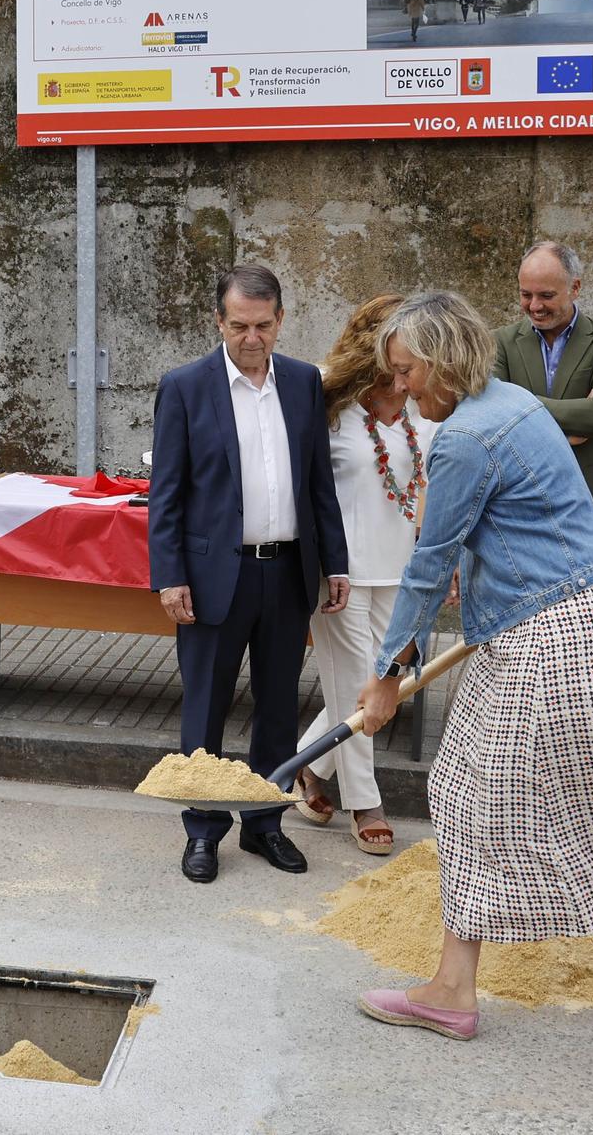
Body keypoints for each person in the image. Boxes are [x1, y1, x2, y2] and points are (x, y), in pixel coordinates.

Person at [353, 292, 593, 1042]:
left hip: (548, 631)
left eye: (408, 372)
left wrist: (387, 675)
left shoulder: (467, 437)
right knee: (465, 789)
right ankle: (453, 988)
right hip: (542, 619)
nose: (403, 388)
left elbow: (428, 562)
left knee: (532, 803)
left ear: (440, 362)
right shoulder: (511, 402)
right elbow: (506, 528)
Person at [149, 264, 351, 884]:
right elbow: (168, 494)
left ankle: (265, 824)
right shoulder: (185, 388)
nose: (251, 338)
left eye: (263, 326)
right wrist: (169, 575)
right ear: (219, 321)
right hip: (215, 577)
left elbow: (320, 480)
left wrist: (336, 562)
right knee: (204, 708)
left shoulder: (302, 384)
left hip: (287, 572)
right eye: (239, 325)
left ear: (281, 321)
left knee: (277, 708)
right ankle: (204, 831)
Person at [292, 294, 438, 855]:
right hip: (340, 572)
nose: (405, 377)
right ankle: (366, 802)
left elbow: (428, 490)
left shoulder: (423, 403)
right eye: (399, 362)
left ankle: (308, 765)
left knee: (381, 688)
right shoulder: (326, 396)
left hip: (399, 570)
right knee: (356, 685)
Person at [491, 241, 593, 572]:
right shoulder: (502, 342)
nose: (534, 306)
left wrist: (519, 404)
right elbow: (493, 414)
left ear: (575, 287)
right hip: (520, 509)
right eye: (526, 294)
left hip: (589, 509)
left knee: (588, 620)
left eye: (546, 296)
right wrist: (568, 431)